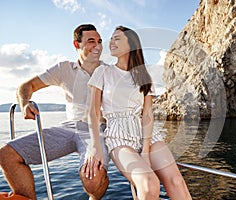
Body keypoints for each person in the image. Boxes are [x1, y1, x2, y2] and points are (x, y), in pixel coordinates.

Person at [0, 24, 109, 200]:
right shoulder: (63, 69)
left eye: (99, 41)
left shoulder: (109, 71)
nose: (97, 45)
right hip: (68, 128)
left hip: (96, 129)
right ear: (76, 44)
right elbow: (27, 86)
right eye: (91, 41)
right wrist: (25, 103)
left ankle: (96, 195)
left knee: (92, 179)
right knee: (7, 154)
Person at [85, 26, 192, 200]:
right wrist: (96, 147)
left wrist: (145, 151)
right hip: (118, 136)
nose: (111, 42)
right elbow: (92, 113)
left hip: (147, 134)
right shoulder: (103, 72)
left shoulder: (144, 76)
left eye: (117, 38)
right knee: (149, 184)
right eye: (111, 38)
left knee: (177, 181)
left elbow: (148, 115)